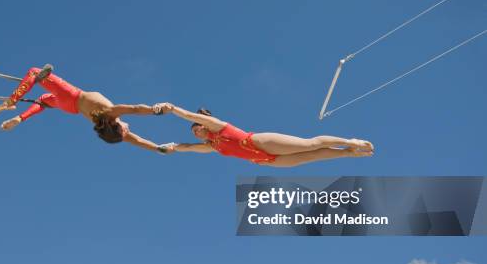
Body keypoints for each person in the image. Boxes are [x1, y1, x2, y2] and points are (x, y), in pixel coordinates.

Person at [0, 64, 168, 152]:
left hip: (72, 96)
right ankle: (20, 118)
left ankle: (11, 101)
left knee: (33, 72)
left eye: (124, 131)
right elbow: (138, 141)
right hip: (70, 108)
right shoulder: (106, 121)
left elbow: (136, 108)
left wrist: (155, 110)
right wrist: (157, 148)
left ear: (117, 127)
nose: (129, 130)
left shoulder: (111, 113)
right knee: (43, 101)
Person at [155, 103, 374, 167]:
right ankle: (348, 153)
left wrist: (171, 108)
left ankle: (350, 140)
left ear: (203, 125)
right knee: (312, 156)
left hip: (258, 142)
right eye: (194, 132)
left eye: (197, 128)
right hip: (263, 159)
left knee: (309, 145)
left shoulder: (217, 126)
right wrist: (170, 147)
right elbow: (188, 148)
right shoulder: (212, 146)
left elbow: (186, 114)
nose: (197, 133)